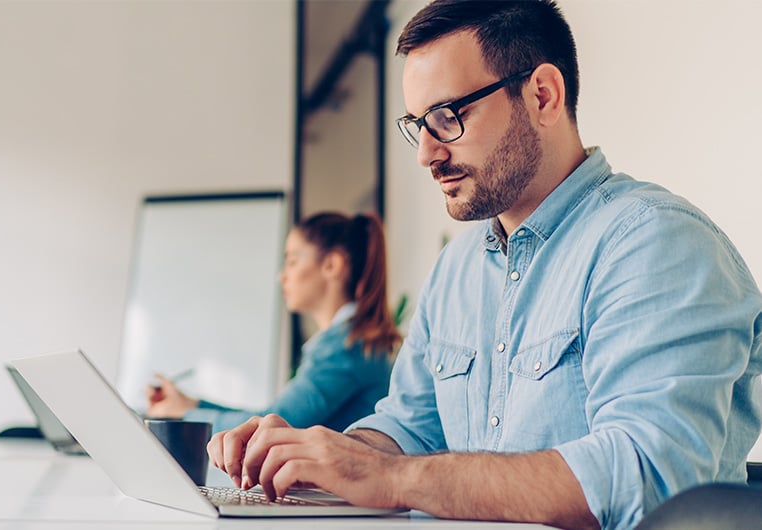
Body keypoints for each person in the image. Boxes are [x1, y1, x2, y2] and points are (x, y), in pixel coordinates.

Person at [206, 2, 762, 529]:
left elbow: (649, 476)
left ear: (543, 95)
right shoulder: (457, 268)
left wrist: (394, 478)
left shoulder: (655, 243)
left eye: (447, 116)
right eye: (417, 124)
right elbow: (411, 427)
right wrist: (315, 457)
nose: (426, 152)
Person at [146, 212, 402, 434]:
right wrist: (190, 407)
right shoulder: (347, 340)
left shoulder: (346, 347)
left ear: (331, 265)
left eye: (292, 261)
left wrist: (186, 414)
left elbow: (272, 424)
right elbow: (270, 417)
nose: (282, 276)